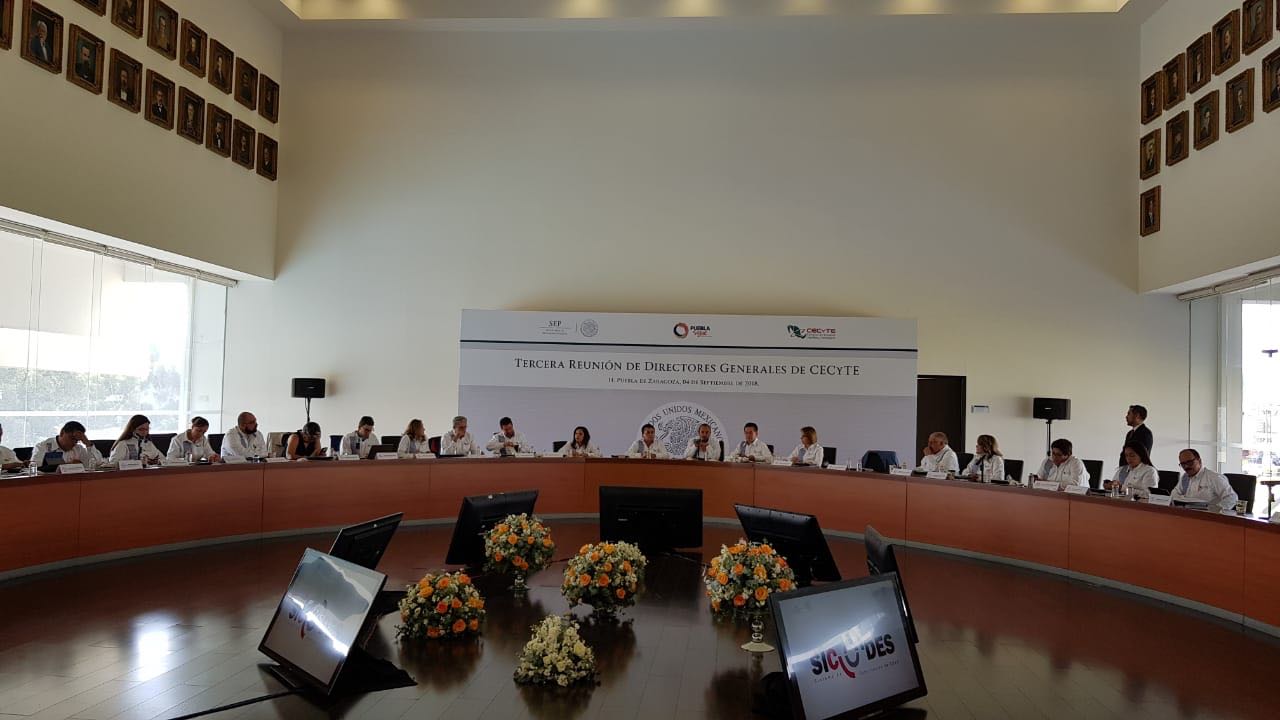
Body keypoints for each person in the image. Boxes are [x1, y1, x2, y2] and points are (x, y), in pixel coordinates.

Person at [1170, 449, 1239, 512]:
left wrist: (1217, 510)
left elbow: (1232, 497)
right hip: (1189, 514)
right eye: (1183, 464)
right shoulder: (1185, 478)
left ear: (1199, 461)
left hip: (1209, 517)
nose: (1186, 466)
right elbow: (1174, 494)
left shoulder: (1214, 477)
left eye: (1190, 462)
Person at [32, 421, 103, 471]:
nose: (74, 443)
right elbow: (35, 468)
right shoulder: (42, 447)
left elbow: (97, 463)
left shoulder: (78, 448)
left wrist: (87, 443)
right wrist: (69, 466)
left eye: (77, 440)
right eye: (72, 438)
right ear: (62, 432)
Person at [1120, 405, 1153, 470]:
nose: (1126, 416)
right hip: (1126, 470)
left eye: (1129, 414)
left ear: (1137, 415)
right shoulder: (1129, 433)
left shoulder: (1146, 433)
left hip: (1138, 472)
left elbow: (1143, 456)